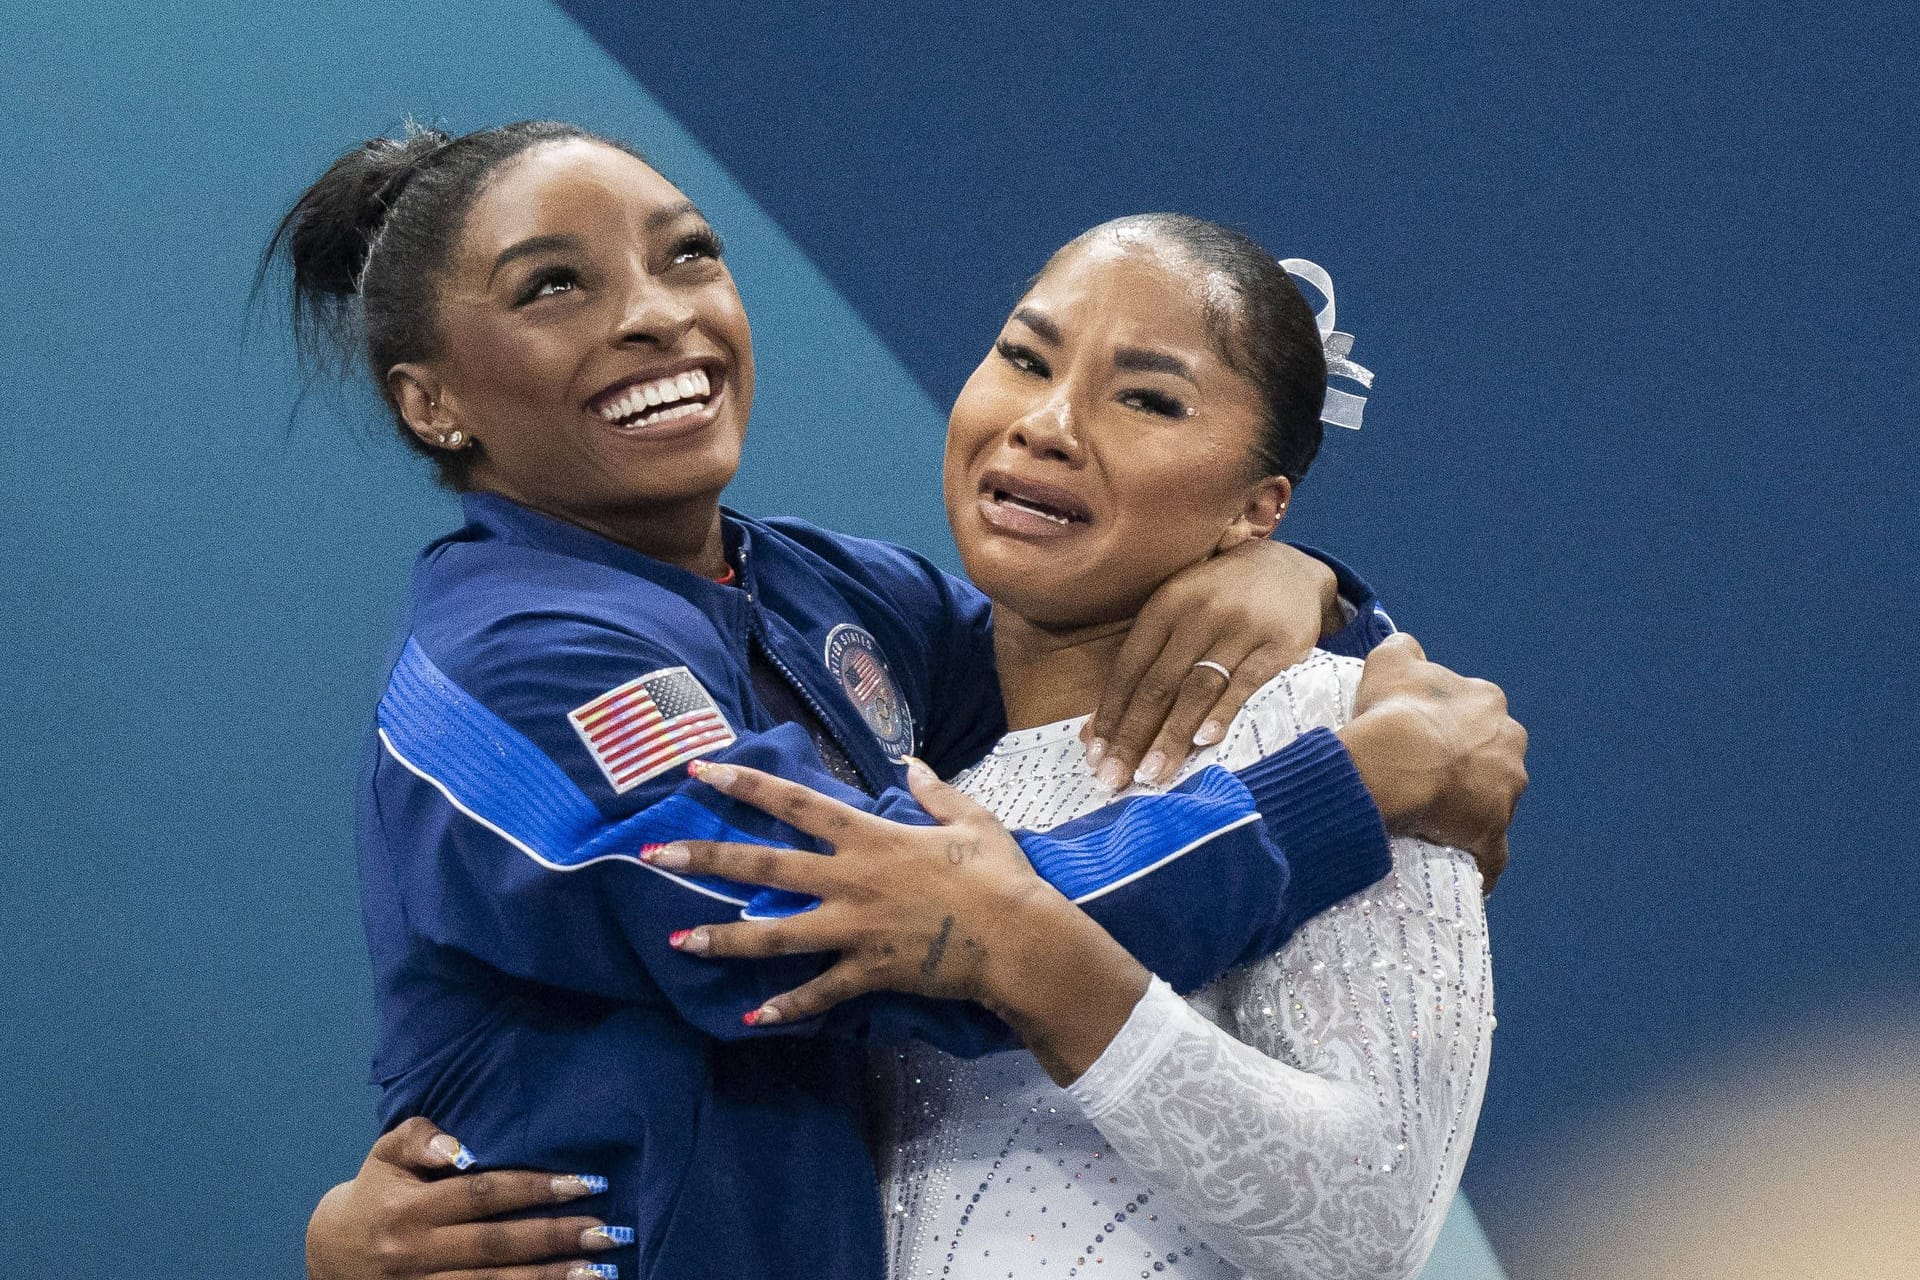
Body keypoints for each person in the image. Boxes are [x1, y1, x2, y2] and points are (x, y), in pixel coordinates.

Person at [280, 122, 1526, 1280]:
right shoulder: (516, 663)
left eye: (688, 257)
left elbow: (1087, 656)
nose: (657, 316)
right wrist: (1347, 789)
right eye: (556, 285)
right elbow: (891, 936)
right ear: (429, 400)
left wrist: (1303, 586)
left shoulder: (826, 593)